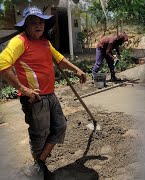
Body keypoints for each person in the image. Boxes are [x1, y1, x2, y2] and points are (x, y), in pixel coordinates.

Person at [0, 6, 87, 178]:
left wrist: (77, 70)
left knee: (60, 126)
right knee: (39, 135)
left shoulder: (45, 42)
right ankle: (40, 167)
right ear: (26, 25)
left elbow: (59, 60)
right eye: (33, 22)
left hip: (51, 95)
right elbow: (2, 64)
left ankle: (39, 163)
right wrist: (23, 89)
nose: (38, 25)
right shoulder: (20, 41)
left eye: (41, 22)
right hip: (35, 99)